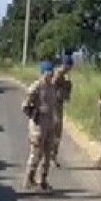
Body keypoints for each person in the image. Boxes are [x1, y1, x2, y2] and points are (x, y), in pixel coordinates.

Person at [22, 61, 62, 191]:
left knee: (47, 153)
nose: (50, 76)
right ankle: (29, 178)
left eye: (51, 73)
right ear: (42, 73)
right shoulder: (36, 87)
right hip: (38, 124)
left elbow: (54, 105)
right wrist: (34, 115)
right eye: (48, 73)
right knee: (36, 152)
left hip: (49, 122)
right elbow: (25, 106)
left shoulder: (52, 87)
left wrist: (55, 121)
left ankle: (43, 180)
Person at [51, 54, 74, 168]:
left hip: (58, 105)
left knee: (57, 131)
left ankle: (52, 155)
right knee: (55, 130)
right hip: (54, 105)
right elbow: (53, 88)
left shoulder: (63, 75)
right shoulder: (58, 74)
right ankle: (50, 155)